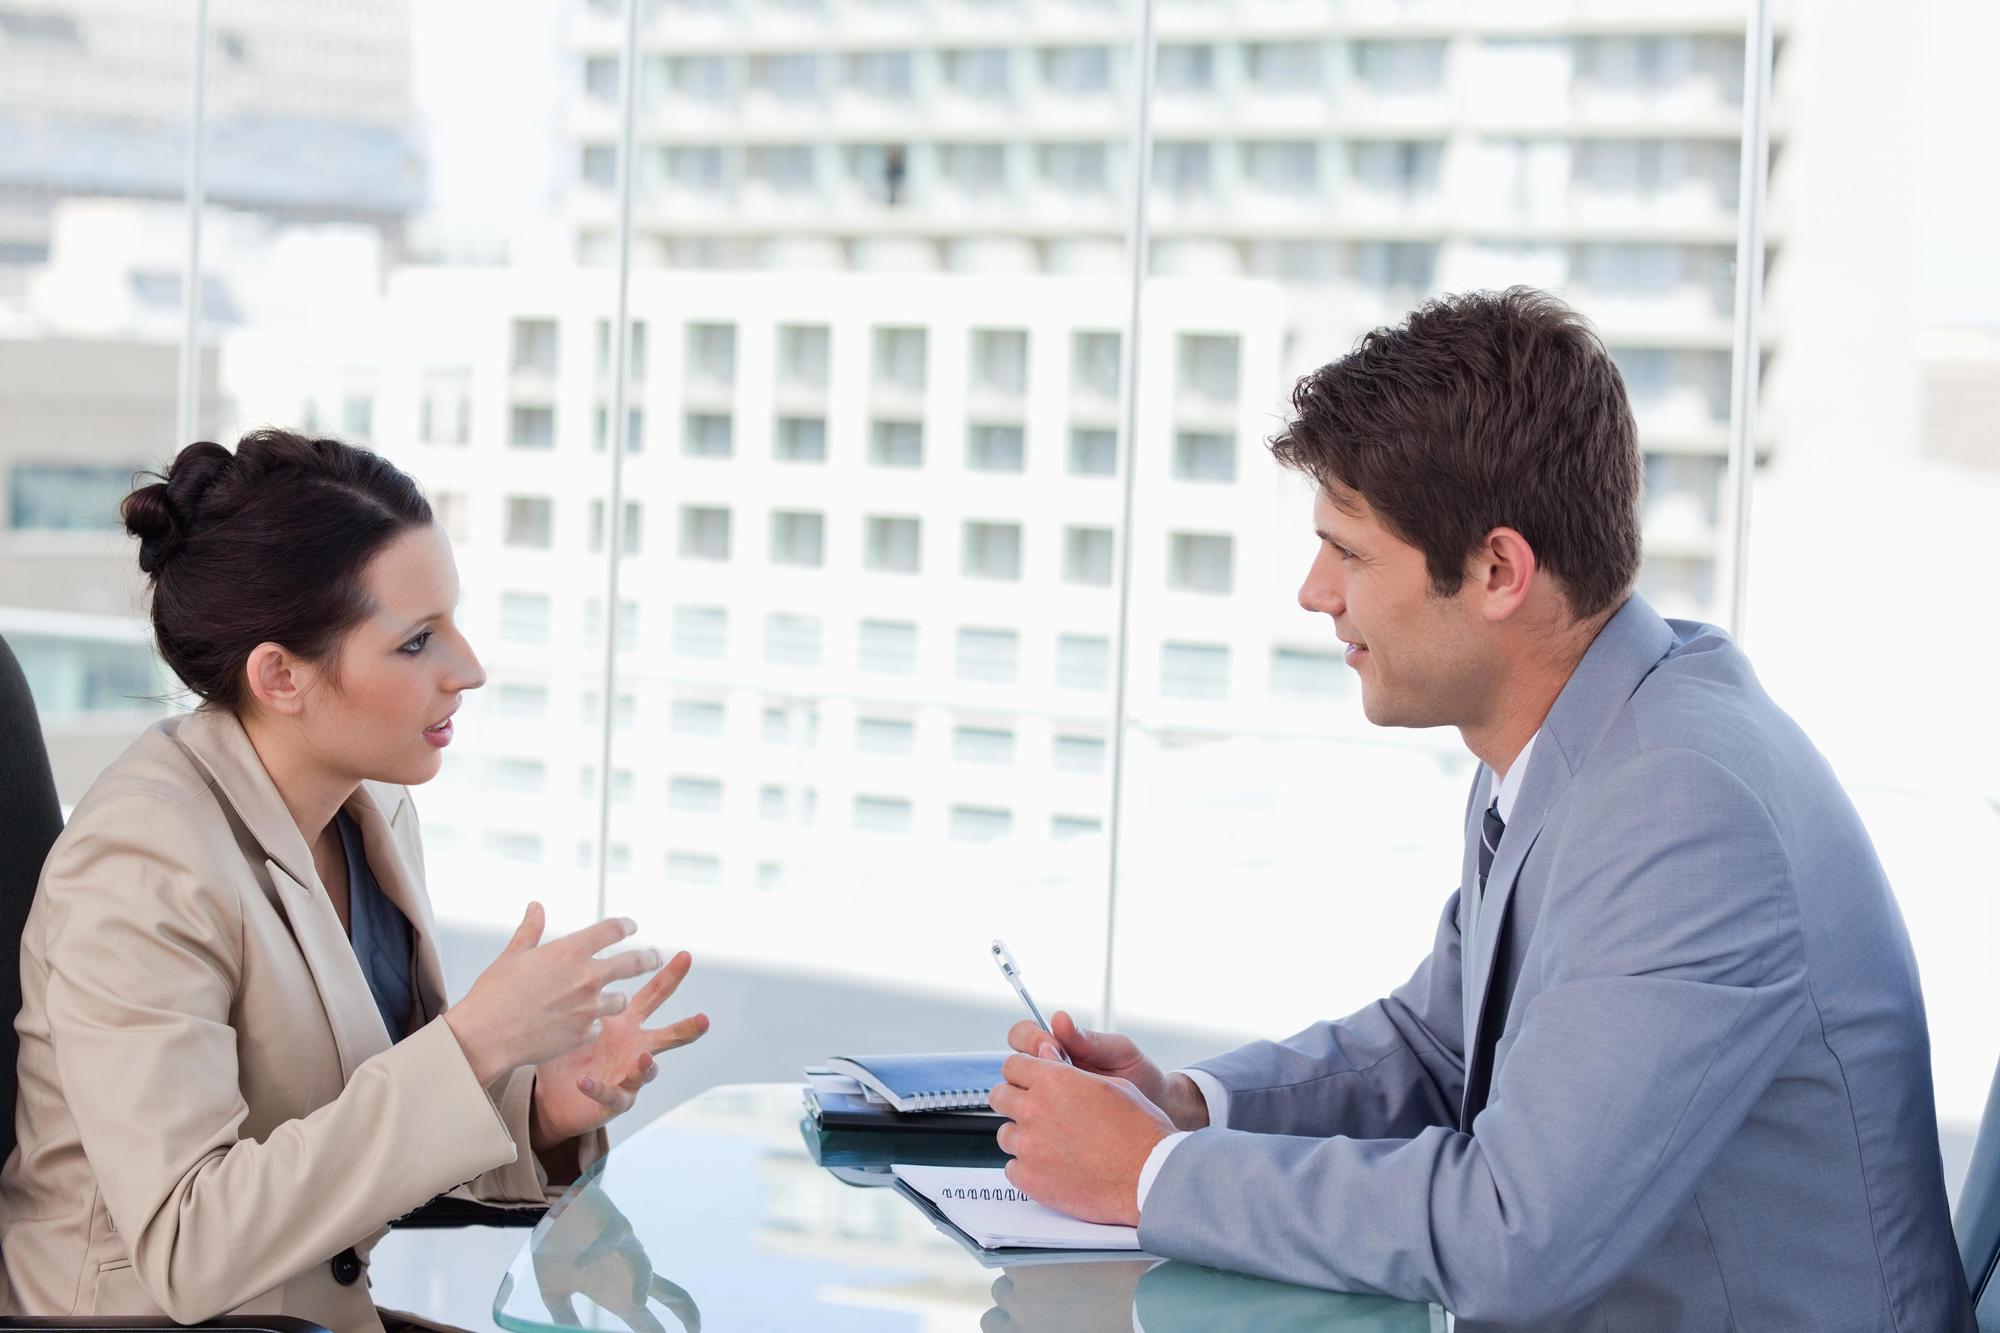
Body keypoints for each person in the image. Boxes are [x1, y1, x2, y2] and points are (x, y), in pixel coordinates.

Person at [988, 290, 1973, 1331]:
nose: (1313, 591)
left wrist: (1151, 1174)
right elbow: (1439, 1046)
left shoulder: (1683, 808)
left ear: (1498, 570)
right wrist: (1186, 1106)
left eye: (1349, 551)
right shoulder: (1579, 734)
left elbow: (1514, 1233)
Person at [0, 430, 709, 1333]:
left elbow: (358, 1119)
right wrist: (474, 1042)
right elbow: (188, 1245)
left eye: (450, 620)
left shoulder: (362, 809)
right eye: (417, 641)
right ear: (280, 675)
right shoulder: (142, 865)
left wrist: (538, 1108)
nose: (469, 667)